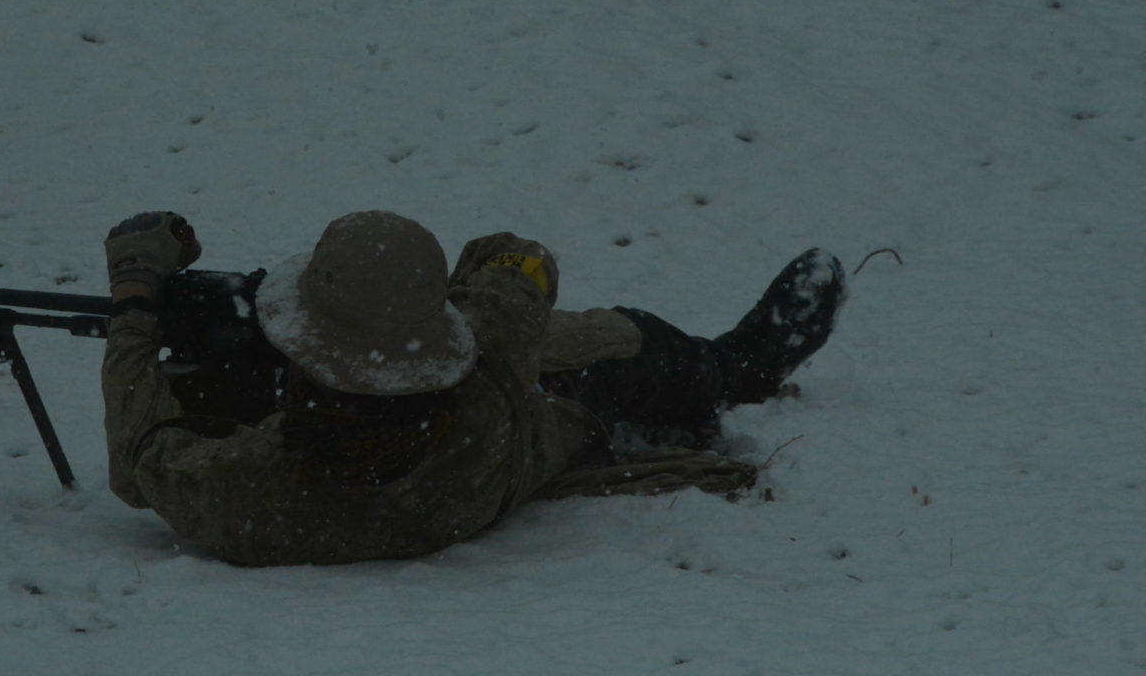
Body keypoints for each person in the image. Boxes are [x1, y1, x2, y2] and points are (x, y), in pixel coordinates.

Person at [102, 210, 845, 567]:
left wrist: (136, 296)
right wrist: (428, 305)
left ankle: (729, 371)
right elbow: (521, 260)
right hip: (534, 424)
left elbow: (141, 453)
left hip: (521, 430)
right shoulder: (488, 373)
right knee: (626, 337)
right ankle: (736, 367)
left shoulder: (243, 495)